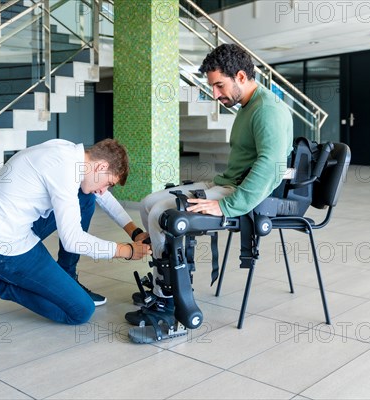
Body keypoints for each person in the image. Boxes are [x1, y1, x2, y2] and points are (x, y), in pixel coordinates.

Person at [126, 44, 294, 334]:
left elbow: (271, 166)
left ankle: (169, 297)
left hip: (242, 193)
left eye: (219, 85)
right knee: (147, 202)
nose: (215, 94)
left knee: (160, 215)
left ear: (241, 76)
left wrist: (227, 206)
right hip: (227, 182)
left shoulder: (268, 110)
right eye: (212, 86)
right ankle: (166, 281)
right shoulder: (247, 106)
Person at [0, 138, 151, 324]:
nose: (104, 190)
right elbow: (73, 240)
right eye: (108, 183)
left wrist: (134, 231)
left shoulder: (70, 153)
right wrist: (127, 250)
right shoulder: (65, 171)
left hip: (7, 226)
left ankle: (67, 277)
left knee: (87, 198)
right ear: (101, 167)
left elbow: (102, 197)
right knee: (81, 311)